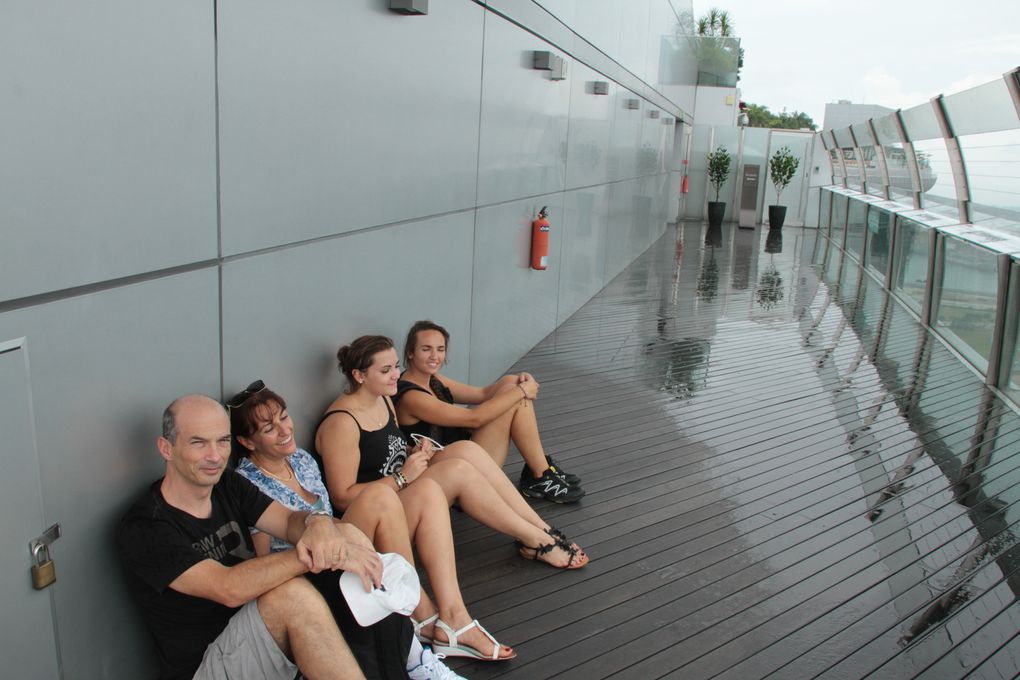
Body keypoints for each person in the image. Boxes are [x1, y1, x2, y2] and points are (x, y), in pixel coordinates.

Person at [116, 394, 405, 680]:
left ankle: (405, 660)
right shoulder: (145, 526)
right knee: (291, 595)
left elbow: (288, 520)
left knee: (347, 532)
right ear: (166, 448)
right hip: (209, 664)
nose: (215, 456)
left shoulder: (226, 484)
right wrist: (319, 552)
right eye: (198, 443)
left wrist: (318, 523)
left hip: (261, 637)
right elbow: (227, 587)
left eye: (222, 441)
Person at [227, 379, 486, 671]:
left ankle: (445, 616)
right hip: (310, 571)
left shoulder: (300, 459)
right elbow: (265, 563)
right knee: (379, 497)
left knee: (426, 492)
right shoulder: (247, 484)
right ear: (247, 442)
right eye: (269, 428)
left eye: (284, 417)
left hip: (341, 546)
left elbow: (330, 516)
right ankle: (418, 619)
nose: (285, 430)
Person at [315, 337, 589, 583]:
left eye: (395, 366)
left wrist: (414, 451)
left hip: (405, 488)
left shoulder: (382, 399)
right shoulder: (342, 423)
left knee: (465, 451)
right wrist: (402, 477)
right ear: (359, 375)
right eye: (385, 371)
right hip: (380, 521)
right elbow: (342, 498)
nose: (395, 375)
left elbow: (388, 450)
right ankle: (536, 541)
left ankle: (543, 528)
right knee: (458, 469)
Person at [393, 320, 584, 503]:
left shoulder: (433, 380)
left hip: (462, 454)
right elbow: (473, 419)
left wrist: (518, 380)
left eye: (440, 349)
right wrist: (522, 391)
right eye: (426, 349)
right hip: (450, 473)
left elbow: (483, 393)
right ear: (410, 353)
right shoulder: (411, 396)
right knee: (515, 397)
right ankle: (540, 474)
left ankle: (541, 470)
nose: (435, 356)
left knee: (511, 386)